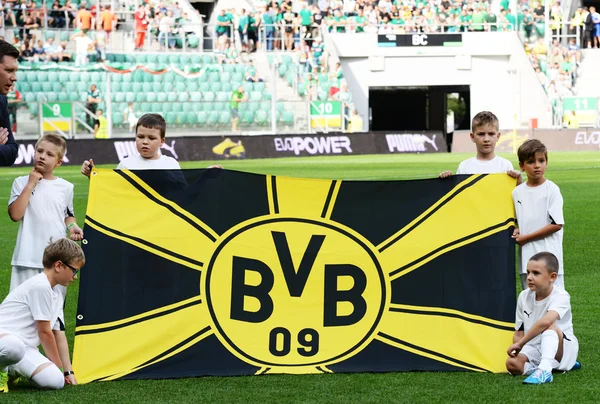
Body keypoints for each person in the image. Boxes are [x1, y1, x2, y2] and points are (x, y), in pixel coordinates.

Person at [0, 238, 84, 392]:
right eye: (74, 270)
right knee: (13, 347)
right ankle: (2, 371)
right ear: (59, 265)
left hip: (24, 348)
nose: (75, 277)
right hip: (5, 339)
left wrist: (67, 372)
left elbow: (58, 333)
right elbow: (45, 332)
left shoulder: (57, 292)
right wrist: (58, 366)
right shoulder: (40, 285)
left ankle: (11, 369)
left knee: (55, 381)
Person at [8, 133, 84, 291]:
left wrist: (72, 227)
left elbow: (67, 216)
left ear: (59, 162)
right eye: (40, 151)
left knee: (53, 310)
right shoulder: (20, 183)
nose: (42, 156)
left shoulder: (66, 187)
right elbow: (15, 215)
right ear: (33, 152)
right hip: (26, 258)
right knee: (23, 310)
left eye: (49, 154)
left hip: (57, 261)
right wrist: (30, 184)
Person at [505, 252, 579, 384]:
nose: (529, 277)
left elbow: (546, 321)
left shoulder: (561, 296)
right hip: (534, 347)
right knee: (512, 364)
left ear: (553, 277)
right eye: (528, 272)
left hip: (561, 348)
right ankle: (548, 366)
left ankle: (545, 370)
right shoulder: (523, 296)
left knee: (548, 325)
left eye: (536, 273)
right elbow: (519, 331)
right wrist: (518, 349)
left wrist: (521, 344)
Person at [512, 139, 564, 290]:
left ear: (546, 162)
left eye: (541, 160)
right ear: (522, 166)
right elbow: (518, 221)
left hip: (550, 259)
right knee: (530, 303)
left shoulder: (552, 190)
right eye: (531, 161)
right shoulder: (517, 192)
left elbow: (556, 224)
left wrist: (526, 237)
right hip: (527, 261)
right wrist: (516, 229)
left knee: (554, 303)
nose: (537, 165)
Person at [81, 113, 180, 174]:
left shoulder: (171, 165)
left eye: (151, 138)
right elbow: (112, 193)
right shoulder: (126, 165)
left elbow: (182, 195)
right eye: (140, 137)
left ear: (162, 141)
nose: (145, 142)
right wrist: (93, 176)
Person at [439, 111, 521, 182]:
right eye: (481, 134)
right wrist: (446, 181)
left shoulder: (505, 165)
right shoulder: (464, 166)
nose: (486, 139)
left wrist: (518, 182)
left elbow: (513, 195)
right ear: (472, 137)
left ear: (498, 136)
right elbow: (458, 195)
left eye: (491, 134)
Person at [0, 39, 19, 166]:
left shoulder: (1, 101)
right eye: (9, 70)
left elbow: (12, 152)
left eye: (15, 71)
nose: (14, 77)